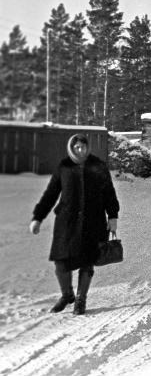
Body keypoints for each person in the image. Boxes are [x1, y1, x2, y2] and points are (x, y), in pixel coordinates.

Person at [30, 133, 120, 316]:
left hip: (93, 222)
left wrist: (113, 217)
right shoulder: (64, 167)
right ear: (72, 148)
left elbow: (109, 193)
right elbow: (51, 193)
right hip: (66, 223)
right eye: (77, 147)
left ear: (87, 148)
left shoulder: (98, 167)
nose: (80, 150)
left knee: (87, 261)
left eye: (83, 147)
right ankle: (67, 294)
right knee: (61, 260)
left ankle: (81, 299)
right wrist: (38, 217)